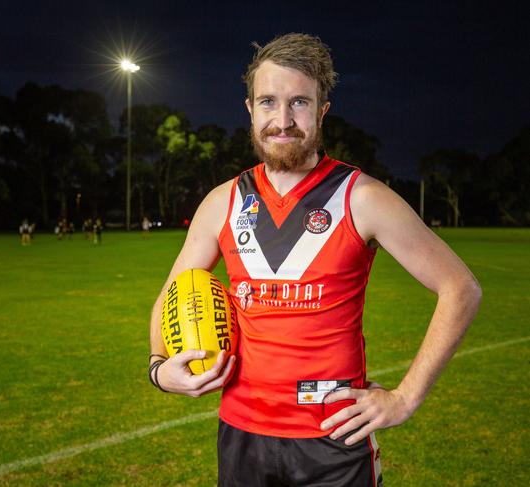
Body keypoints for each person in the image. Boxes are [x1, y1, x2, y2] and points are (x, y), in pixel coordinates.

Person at [148, 33, 481, 487]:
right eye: (268, 102)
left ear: (322, 110)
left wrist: (405, 398)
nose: (282, 120)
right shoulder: (221, 202)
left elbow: (460, 287)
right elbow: (173, 292)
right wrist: (158, 367)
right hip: (241, 432)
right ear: (249, 109)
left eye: (299, 103)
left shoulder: (362, 198)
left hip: (334, 438)